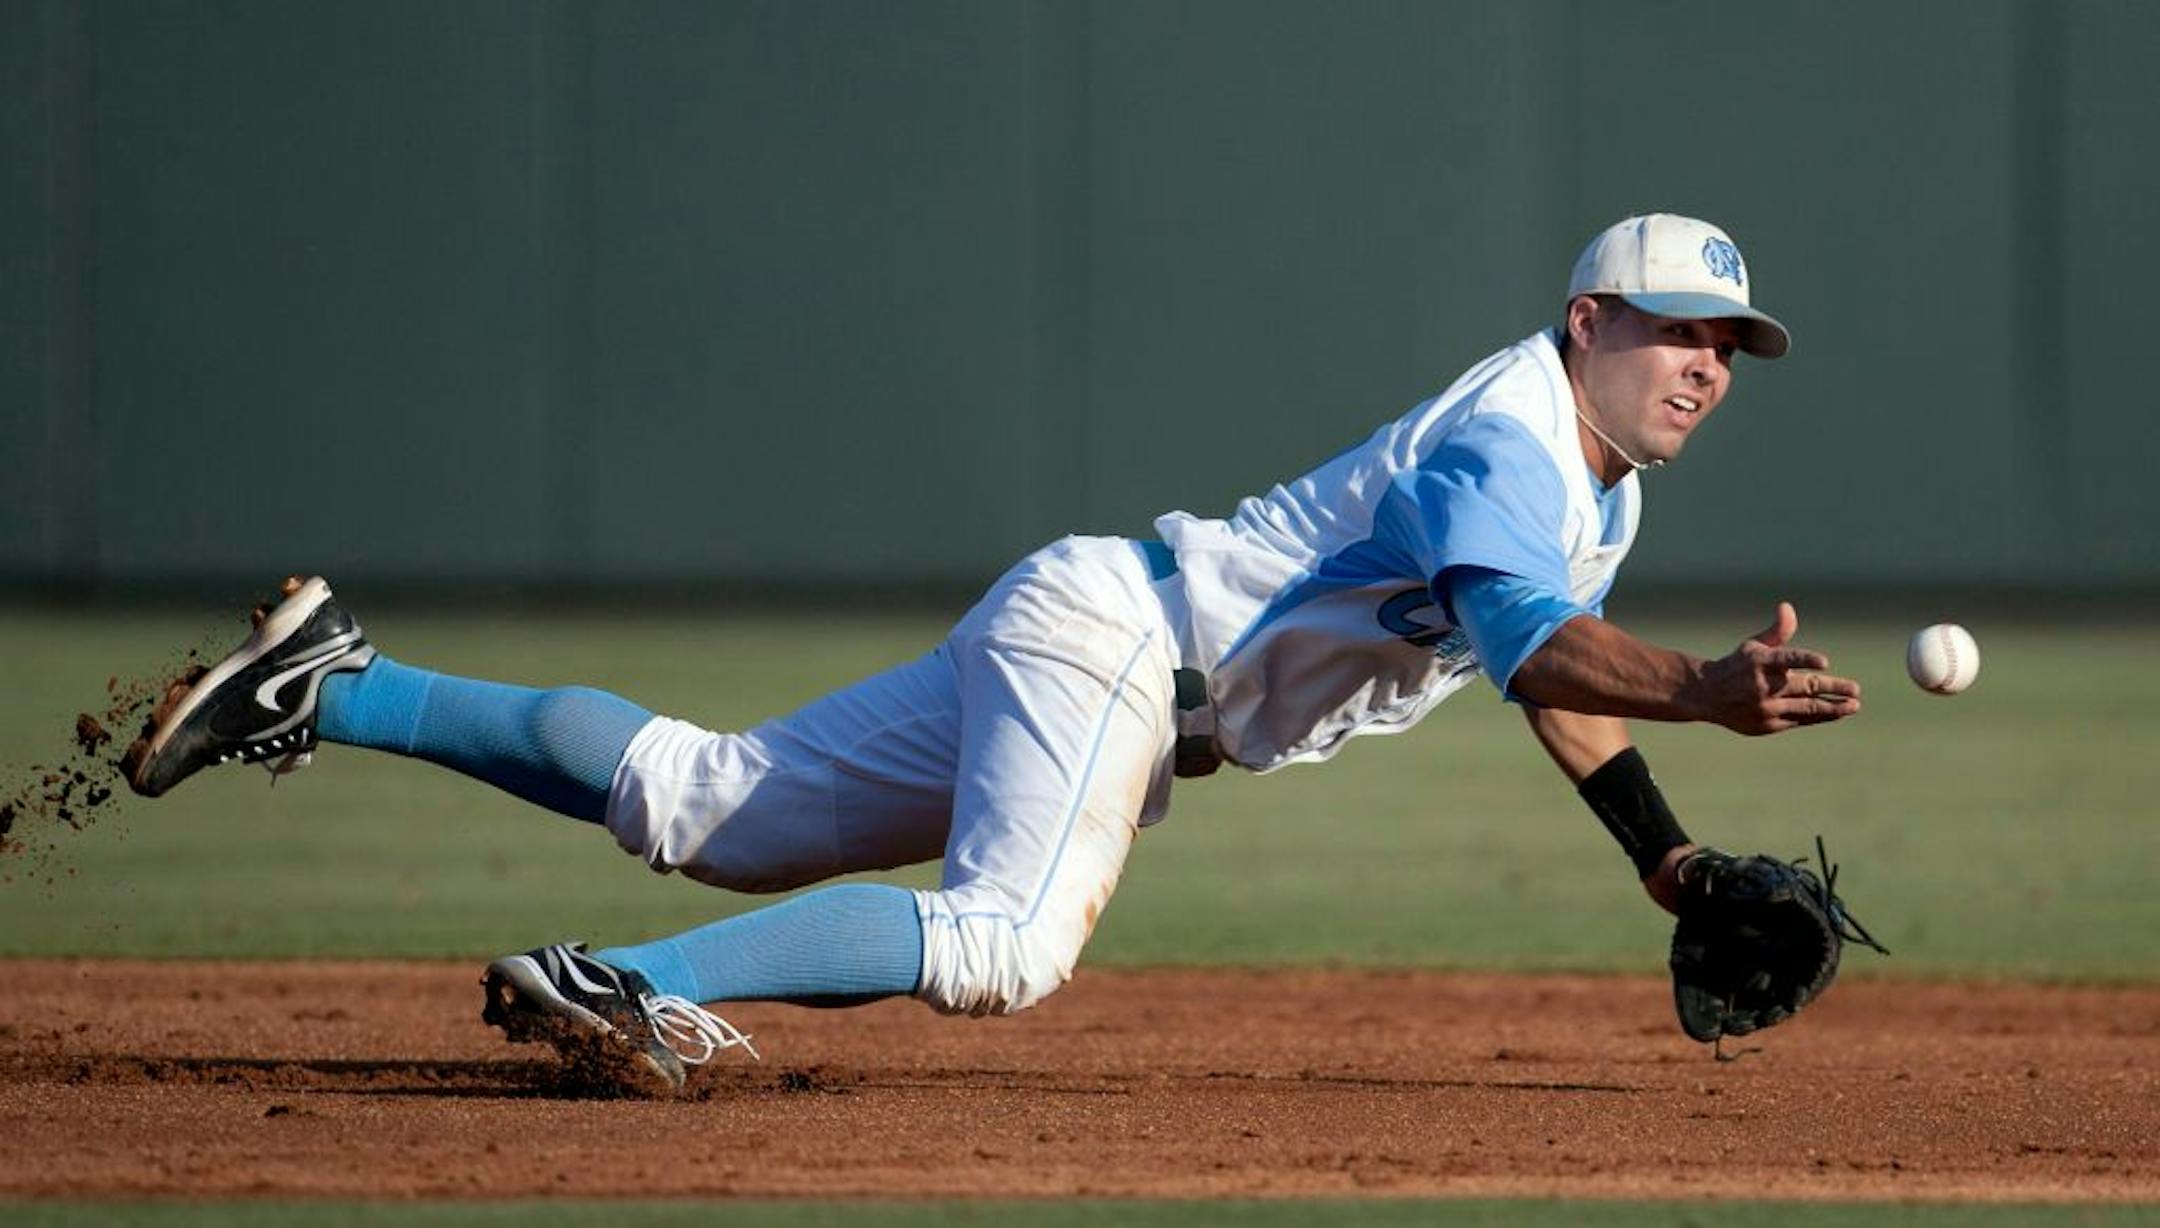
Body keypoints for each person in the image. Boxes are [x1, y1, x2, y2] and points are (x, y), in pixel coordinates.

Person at [125, 212, 1862, 1091]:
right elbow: (1535, 641)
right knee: (1012, 942)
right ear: (1589, 323)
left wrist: (1667, 851)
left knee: (709, 802)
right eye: (1675, 330)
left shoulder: (1599, 483)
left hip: (1093, 630)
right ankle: (631, 986)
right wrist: (1704, 694)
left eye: (1729, 344)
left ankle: (333, 681)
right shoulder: (1513, 439)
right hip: (1122, 649)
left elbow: (1532, 671)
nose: (1705, 363)